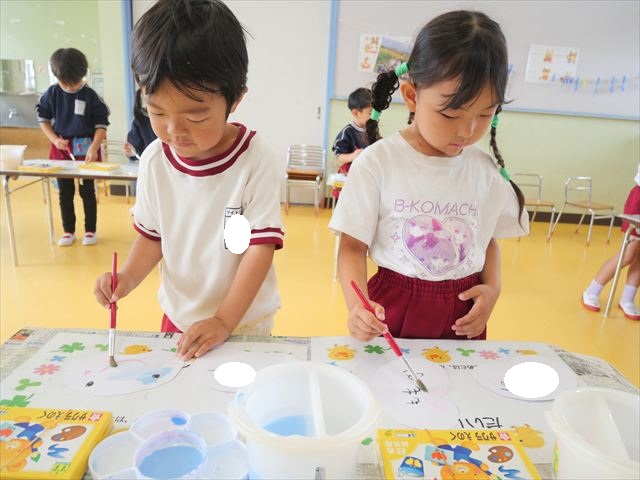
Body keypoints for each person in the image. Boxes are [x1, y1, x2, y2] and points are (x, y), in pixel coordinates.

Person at [93, 0, 284, 360]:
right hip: (179, 319)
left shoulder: (255, 159)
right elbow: (152, 237)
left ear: (235, 99)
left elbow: (258, 249)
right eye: (156, 111)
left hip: (242, 322)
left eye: (196, 117)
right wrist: (127, 278)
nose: (174, 131)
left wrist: (223, 321)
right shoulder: (154, 160)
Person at [329, 10, 528, 342]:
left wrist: (492, 290)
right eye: (450, 114)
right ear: (412, 96)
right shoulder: (379, 162)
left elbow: (488, 240)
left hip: (462, 315)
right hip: (390, 309)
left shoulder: (485, 171)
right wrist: (357, 306)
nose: (467, 131)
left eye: (485, 114)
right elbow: (351, 247)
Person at [36, 48, 110, 247]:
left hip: (87, 148)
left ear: (82, 73)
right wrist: (54, 139)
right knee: (65, 192)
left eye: (74, 82)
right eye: (65, 82)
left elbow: (101, 126)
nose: (70, 86)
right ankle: (68, 231)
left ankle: (90, 230)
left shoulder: (90, 95)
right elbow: (43, 120)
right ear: (57, 77)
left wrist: (94, 147)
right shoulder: (52, 94)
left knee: (88, 192)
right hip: (62, 149)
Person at [582, 164, 640, 320]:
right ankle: (592, 291)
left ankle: (627, 299)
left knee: (639, 260)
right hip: (638, 201)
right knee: (627, 255)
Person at [331, 87, 371, 200]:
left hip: (366, 178)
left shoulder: (372, 131)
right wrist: (354, 155)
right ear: (356, 113)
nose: (375, 116)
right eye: (371, 113)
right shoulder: (347, 132)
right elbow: (339, 157)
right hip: (349, 178)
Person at [125, 88, 156, 160]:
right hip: (150, 162)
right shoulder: (139, 120)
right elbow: (135, 150)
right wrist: (133, 151)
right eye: (146, 110)